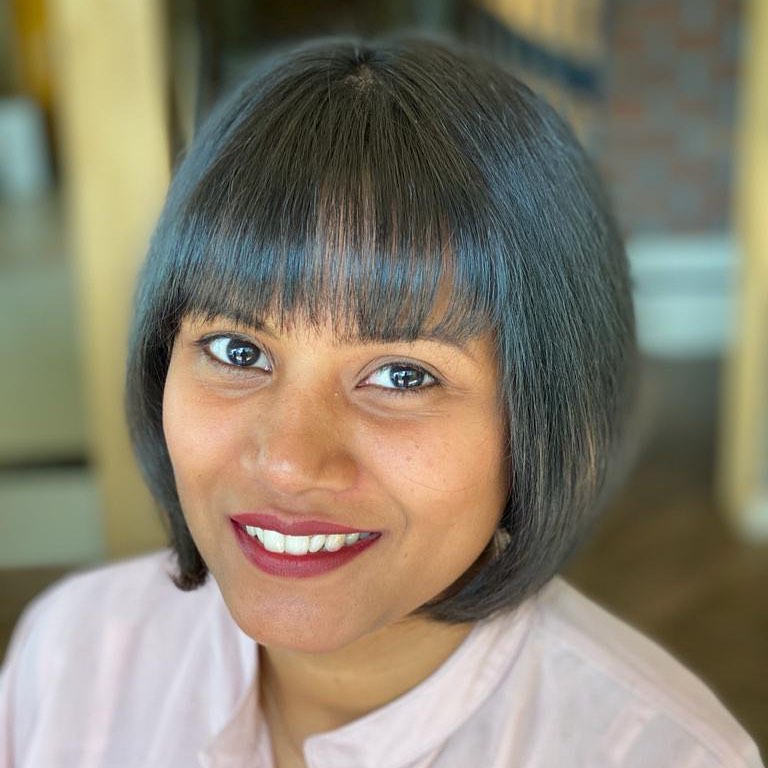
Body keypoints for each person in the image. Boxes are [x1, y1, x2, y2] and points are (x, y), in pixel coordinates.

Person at [0, 35, 763, 768]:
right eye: (238, 352)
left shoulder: (663, 755)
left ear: (547, 413)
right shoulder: (72, 656)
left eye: (401, 375)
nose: (288, 462)